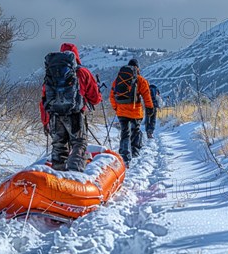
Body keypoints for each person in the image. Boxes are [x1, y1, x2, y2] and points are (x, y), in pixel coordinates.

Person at [40, 43, 102, 172]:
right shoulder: (83, 72)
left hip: (55, 115)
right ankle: (75, 175)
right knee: (79, 143)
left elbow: (44, 98)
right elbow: (95, 99)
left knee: (59, 145)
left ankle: (58, 176)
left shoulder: (51, 73)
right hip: (75, 114)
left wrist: (45, 122)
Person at [110, 59, 154, 167]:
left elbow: (112, 96)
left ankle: (124, 157)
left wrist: (117, 108)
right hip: (135, 112)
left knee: (125, 133)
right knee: (136, 131)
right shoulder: (141, 80)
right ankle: (134, 152)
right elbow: (146, 96)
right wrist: (149, 108)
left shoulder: (118, 79)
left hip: (121, 112)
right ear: (138, 68)